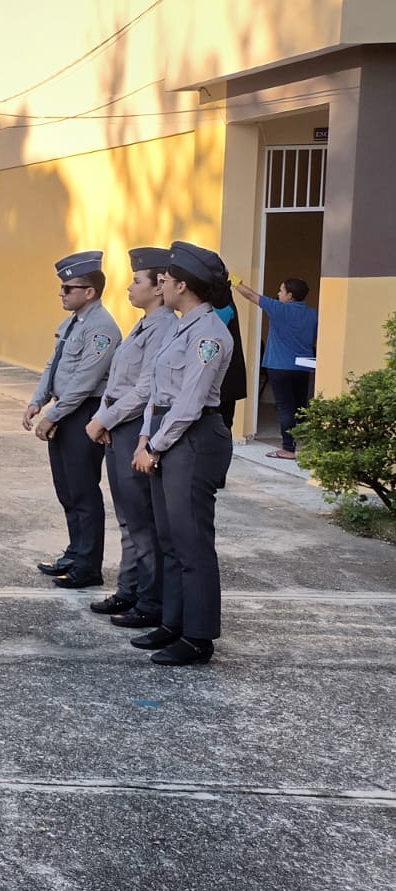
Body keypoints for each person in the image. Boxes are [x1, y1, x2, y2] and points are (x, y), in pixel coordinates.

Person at [130, 241, 235, 666]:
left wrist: (154, 445)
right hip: (165, 434)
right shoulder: (180, 326)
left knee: (192, 543)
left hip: (193, 439)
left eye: (167, 280)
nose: (162, 284)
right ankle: (173, 622)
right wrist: (143, 438)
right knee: (169, 538)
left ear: (184, 286)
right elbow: (158, 393)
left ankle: (198, 637)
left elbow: (190, 403)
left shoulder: (209, 335)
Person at [85, 248, 178, 626]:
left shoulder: (165, 328)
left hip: (135, 428)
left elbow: (144, 389)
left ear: (158, 288)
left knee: (142, 521)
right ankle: (130, 590)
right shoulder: (143, 325)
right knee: (128, 518)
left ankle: (149, 601)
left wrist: (102, 419)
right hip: (119, 428)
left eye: (137, 280)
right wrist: (106, 419)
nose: (129, 286)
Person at [25, 251, 122, 590]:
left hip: (83, 412)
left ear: (89, 291)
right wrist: (38, 400)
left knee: (83, 491)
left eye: (68, 288)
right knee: (66, 489)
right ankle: (75, 552)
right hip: (64, 411)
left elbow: (84, 380)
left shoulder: (102, 329)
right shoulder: (72, 323)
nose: (62, 293)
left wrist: (52, 415)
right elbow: (53, 365)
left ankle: (88, 566)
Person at [234, 275, 318, 459]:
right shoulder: (313, 314)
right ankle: (301, 444)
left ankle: (288, 449)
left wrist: (233, 280)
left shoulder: (279, 308)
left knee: (286, 408)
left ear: (290, 295)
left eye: (281, 291)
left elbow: (250, 295)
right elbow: (314, 339)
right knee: (300, 408)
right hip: (303, 367)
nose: (278, 294)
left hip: (280, 366)